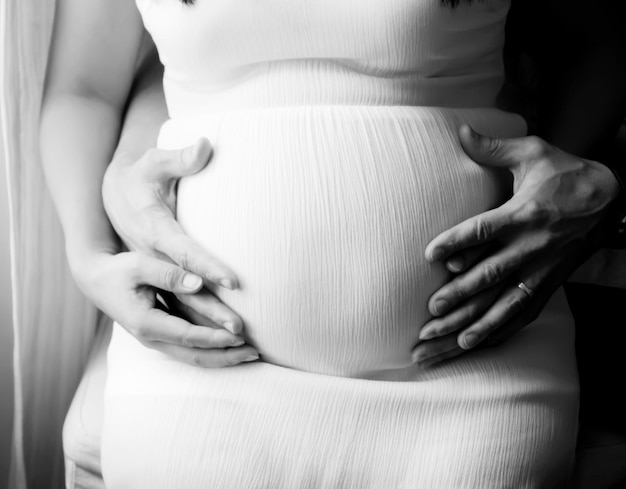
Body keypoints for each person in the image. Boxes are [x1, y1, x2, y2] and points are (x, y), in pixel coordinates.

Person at [38, 0, 624, 488]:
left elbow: (605, 32)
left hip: (476, 368)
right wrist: (89, 256)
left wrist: (569, 176)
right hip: (200, 369)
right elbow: (83, 88)